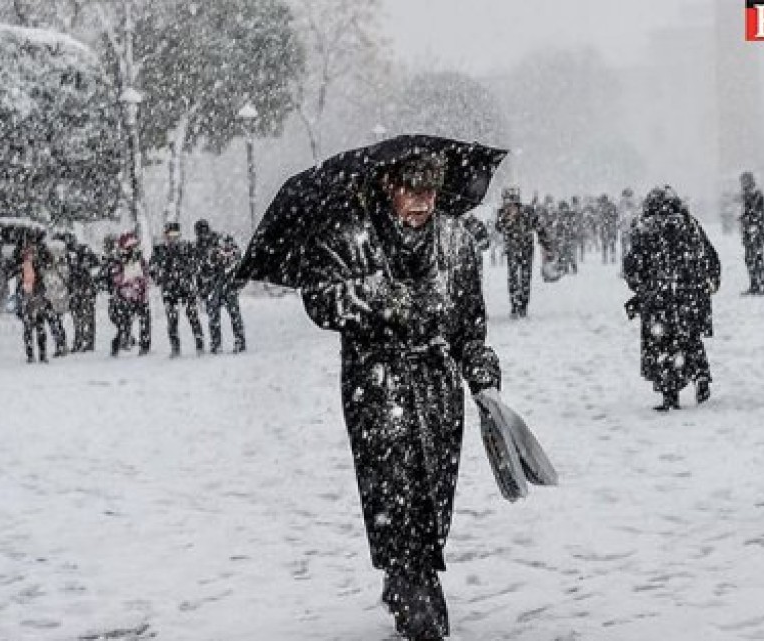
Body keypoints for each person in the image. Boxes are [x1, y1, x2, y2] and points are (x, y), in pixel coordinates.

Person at [297, 150, 502, 641]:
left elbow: (470, 324)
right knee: (394, 492)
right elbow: (320, 298)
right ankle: (416, 592)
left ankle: (405, 572)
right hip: (377, 386)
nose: (422, 200)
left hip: (438, 391)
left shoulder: (456, 241)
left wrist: (482, 375)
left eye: (431, 189)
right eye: (412, 188)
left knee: (433, 498)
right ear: (388, 185)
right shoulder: (351, 235)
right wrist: (378, 299)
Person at [623, 187, 720, 412]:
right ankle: (700, 375)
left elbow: (633, 266)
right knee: (689, 339)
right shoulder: (690, 225)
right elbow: (709, 255)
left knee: (660, 346)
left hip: (658, 298)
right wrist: (709, 280)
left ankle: (670, 393)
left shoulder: (644, 228)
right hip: (688, 295)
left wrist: (640, 287)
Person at [149, 222, 205, 357]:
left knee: (193, 317)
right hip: (169, 289)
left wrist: (189, 273)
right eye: (170, 235)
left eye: (176, 235)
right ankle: (175, 348)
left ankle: (200, 345)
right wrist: (160, 277)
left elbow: (197, 265)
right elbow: (152, 269)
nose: (173, 238)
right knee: (172, 320)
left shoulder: (187, 247)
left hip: (186, 287)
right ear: (165, 235)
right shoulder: (159, 250)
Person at [194, 219, 247, 354]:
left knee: (230, 316)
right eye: (201, 232)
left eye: (204, 231)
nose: (203, 235)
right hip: (213, 286)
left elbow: (237, 258)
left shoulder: (221, 241)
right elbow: (198, 271)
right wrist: (201, 290)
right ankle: (220, 344)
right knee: (217, 318)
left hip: (225, 284)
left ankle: (236, 343)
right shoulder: (198, 247)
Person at [495, 187, 549, 319]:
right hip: (512, 250)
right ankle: (514, 306)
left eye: (511, 203)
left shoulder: (528, 212)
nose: (509, 206)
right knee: (513, 279)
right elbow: (499, 228)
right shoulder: (502, 213)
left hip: (526, 249)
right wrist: (507, 219)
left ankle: (523, 306)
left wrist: (545, 244)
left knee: (525, 278)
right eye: (506, 203)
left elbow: (540, 228)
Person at [104, 232, 152, 356]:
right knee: (124, 324)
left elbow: (146, 275)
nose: (133, 249)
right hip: (125, 298)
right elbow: (116, 279)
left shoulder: (140, 260)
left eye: (135, 246)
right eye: (130, 247)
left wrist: (140, 285)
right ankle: (118, 344)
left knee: (144, 321)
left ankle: (145, 346)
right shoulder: (118, 261)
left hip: (140, 296)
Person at [12, 239, 57, 363]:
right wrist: (21, 262)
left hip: (38, 292)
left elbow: (49, 262)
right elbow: (10, 269)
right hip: (25, 293)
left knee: (40, 323)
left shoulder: (41, 248)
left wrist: (38, 260)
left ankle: (42, 354)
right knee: (28, 326)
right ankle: (30, 355)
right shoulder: (18, 251)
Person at [56, 232, 101, 353]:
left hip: (83, 287)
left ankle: (87, 342)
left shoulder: (82, 250)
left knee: (85, 316)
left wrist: (84, 266)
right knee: (78, 316)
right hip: (75, 288)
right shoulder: (65, 254)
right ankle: (81, 341)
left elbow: (96, 264)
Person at [739, 171, 764, 296]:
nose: (742, 184)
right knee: (749, 259)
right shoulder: (748, 194)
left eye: (744, 181)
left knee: (756, 259)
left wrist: (747, 219)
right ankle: (755, 284)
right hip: (750, 231)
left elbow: (757, 213)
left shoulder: (756, 194)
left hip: (755, 231)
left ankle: (763, 284)